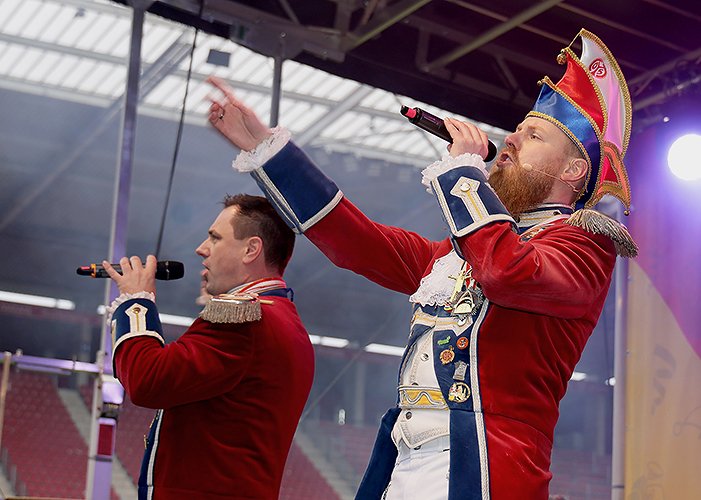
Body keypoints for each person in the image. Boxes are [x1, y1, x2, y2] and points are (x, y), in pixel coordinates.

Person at [206, 29, 637, 500]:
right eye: (517, 129)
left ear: (573, 170)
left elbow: (505, 272)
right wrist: (267, 150)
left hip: (487, 468)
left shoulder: (584, 245)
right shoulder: (461, 250)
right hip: (405, 464)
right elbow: (356, 242)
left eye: (532, 135)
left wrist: (464, 174)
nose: (510, 139)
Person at [104, 193, 315, 500]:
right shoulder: (285, 321)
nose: (201, 249)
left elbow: (147, 380)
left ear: (251, 249)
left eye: (215, 238)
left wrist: (135, 303)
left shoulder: (244, 317)